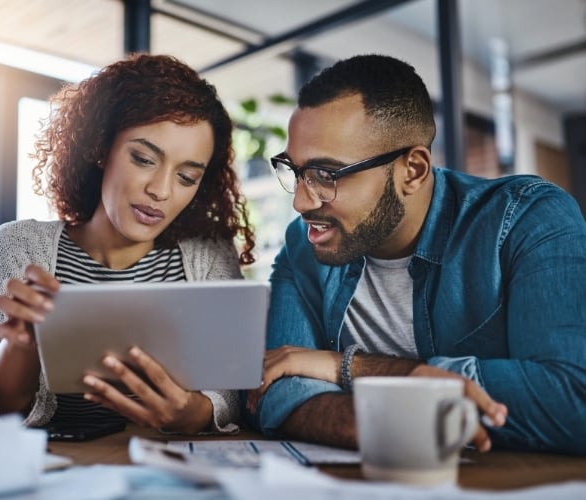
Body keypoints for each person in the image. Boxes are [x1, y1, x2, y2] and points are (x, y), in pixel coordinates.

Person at [244, 53, 586, 455]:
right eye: (296, 170)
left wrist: (350, 368)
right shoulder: (305, 244)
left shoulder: (528, 219)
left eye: (327, 175)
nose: (301, 202)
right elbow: (279, 390)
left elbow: (571, 401)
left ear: (414, 170)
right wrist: (402, 416)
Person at [0, 53, 256, 435]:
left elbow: (227, 395)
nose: (160, 191)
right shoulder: (18, 248)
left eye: (187, 177)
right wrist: (22, 350)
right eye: (143, 158)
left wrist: (192, 413)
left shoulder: (209, 257)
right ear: (100, 146)